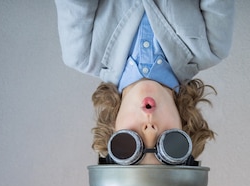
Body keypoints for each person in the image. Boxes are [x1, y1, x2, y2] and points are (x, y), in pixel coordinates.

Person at [55, 0, 235, 164]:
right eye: (169, 141)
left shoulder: (81, 53)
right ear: (185, 128)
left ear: (112, 130)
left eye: (129, 141)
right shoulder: (212, 48)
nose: (150, 129)